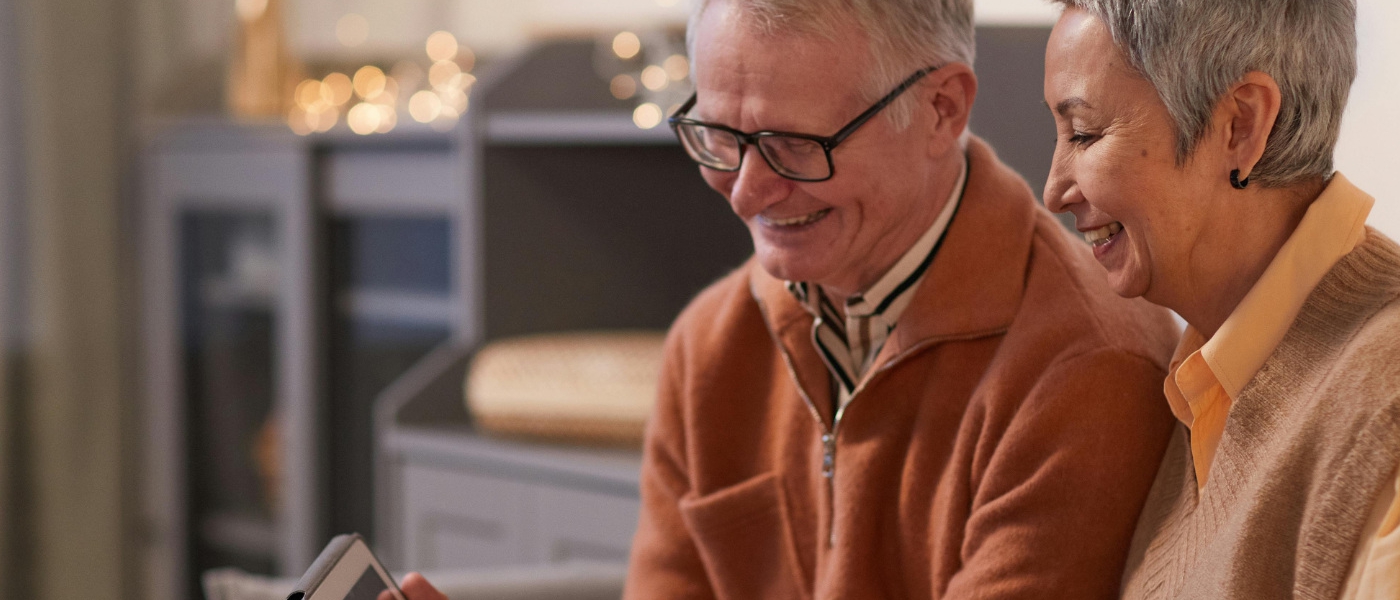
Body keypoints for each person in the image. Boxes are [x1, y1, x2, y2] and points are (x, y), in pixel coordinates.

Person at [395, 0, 1180, 597]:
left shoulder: (1085, 372)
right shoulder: (710, 344)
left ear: (944, 108)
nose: (745, 192)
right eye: (718, 137)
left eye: (796, 145)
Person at [1042, 1, 1400, 598]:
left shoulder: (1383, 408)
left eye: (1084, 133)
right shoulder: (1204, 385)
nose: (1054, 189)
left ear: (1240, 125)